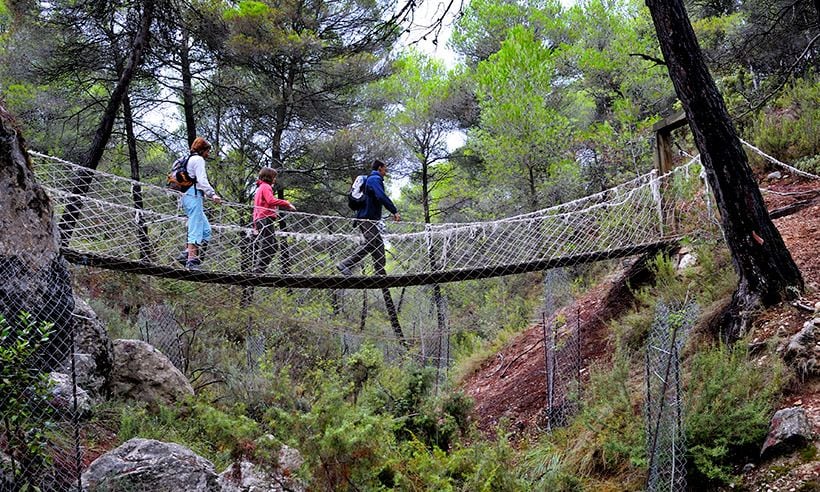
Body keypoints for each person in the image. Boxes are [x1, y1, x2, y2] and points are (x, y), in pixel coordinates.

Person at [338, 159, 401, 276]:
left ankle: (380, 273)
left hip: (368, 219)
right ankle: (345, 264)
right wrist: (394, 211)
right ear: (380, 168)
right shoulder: (374, 179)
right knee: (372, 242)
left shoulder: (372, 179)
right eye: (385, 167)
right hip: (366, 218)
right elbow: (381, 196)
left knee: (379, 245)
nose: (386, 170)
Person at [180, 137, 221, 270]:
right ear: (202, 150)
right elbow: (202, 180)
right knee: (196, 226)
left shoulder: (188, 158)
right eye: (207, 151)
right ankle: (191, 261)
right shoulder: (198, 160)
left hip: (186, 195)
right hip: (193, 195)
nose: (208, 154)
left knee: (206, 230)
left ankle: (186, 254)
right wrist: (212, 194)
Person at [252, 167, 296, 273]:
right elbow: (270, 200)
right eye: (274, 177)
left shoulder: (260, 188)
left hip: (260, 219)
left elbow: (256, 208)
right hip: (265, 219)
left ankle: (260, 269)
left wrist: (255, 224)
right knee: (268, 244)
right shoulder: (266, 187)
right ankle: (258, 270)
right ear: (269, 177)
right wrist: (287, 203)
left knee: (273, 245)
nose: (275, 179)